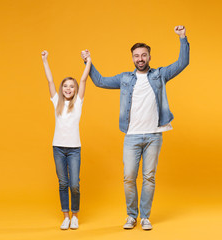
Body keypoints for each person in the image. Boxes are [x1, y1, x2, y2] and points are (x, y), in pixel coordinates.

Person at [81, 26, 189, 230]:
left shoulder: (160, 75)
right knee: (129, 177)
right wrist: (88, 62)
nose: (140, 58)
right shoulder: (125, 79)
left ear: (149, 56)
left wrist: (182, 37)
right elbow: (100, 81)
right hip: (131, 136)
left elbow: (183, 62)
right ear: (132, 58)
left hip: (154, 135)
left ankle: (145, 217)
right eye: (136, 56)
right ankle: (131, 216)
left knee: (149, 177)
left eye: (144, 55)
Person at [42, 49, 92, 230]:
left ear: (75, 90)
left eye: (71, 86)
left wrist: (88, 61)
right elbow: (50, 80)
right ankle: (65, 216)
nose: (68, 89)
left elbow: (84, 79)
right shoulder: (57, 102)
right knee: (63, 183)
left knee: (74, 184)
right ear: (62, 90)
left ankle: (75, 215)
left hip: (74, 149)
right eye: (65, 86)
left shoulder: (78, 102)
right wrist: (45, 60)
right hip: (58, 148)